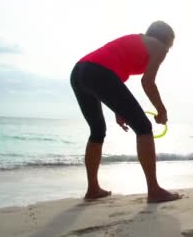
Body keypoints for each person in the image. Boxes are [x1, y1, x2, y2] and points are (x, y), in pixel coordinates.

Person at [70, 21, 180, 203]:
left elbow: (114, 74)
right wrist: (161, 109)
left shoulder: (137, 40)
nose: (169, 47)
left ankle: (92, 189)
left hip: (79, 71)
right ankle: (154, 190)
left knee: (97, 131)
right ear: (168, 39)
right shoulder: (160, 47)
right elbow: (148, 82)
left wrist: (118, 111)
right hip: (98, 72)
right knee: (144, 126)